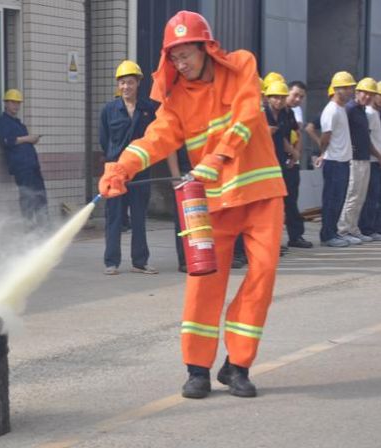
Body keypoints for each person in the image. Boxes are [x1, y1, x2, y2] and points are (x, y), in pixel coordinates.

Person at [99, 11, 286, 398]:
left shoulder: (242, 67)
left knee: (262, 275)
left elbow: (248, 115)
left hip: (260, 196)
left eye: (185, 54)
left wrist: (217, 158)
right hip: (213, 203)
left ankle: (237, 366)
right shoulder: (176, 100)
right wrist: (122, 167)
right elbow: (155, 139)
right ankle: (197, 369)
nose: (180, 63)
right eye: (174, 57)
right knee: (203, 283)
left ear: (205, 48)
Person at [99, 60, 158, 275]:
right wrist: (114, 164)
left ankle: (140, 261)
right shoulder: (109, 110)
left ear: (138, 83)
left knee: (139, 216)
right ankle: (111, 262)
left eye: (130, 83)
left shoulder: (148, 109)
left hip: (140, 171)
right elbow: (104, 141)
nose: (126, 87)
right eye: (122, 83)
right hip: (115, 170)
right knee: (114, 217)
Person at [264, 81, 312, 248]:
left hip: (284, 163)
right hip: (267, 164)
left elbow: (295, 132)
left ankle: (295, 237)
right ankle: (271, 242)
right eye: (294, 95)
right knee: (271, 205)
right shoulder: (263, 113)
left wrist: (294, 155)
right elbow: (279, 137)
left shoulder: (288, 113)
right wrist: (292, 151)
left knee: (290, 200)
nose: (279, 100)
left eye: (282, 98)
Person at [0, 89, 49, 228]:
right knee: (27, 196)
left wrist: (31, 140)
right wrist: (29, 139)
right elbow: (7, 141)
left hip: (32, 165)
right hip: (21, 167)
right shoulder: (4, 122)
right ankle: (29, 226)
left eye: (18, 103)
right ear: (6, 103)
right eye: (13, 103)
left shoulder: (18, 123)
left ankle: (42, 225)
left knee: (40, 195)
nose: (16, 106)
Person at [337, 77, 380, 243]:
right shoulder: (350, 109)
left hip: (364, 158)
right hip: (353, 159)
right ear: (357, 92)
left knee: (360, 196)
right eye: (365, 93)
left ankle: (353, 229)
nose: (367, 97)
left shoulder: (361, 110)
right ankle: (343, 230)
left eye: (371, 94)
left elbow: (365, 137)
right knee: (352, 195)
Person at [317, 72, 355, 247]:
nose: (351, 91)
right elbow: (326, 136)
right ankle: (327, 235)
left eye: (351, 88)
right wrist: (323, 153)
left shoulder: (341, 109)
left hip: (342, 160)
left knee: (339, 199)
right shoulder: (331, 110)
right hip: (334, 161)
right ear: (337, 89)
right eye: (347, 88)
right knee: (332, 199)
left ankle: (334, 232)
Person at [359, 81, 381, 240]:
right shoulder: (369, 113)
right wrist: (379, 156)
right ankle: (367, 228)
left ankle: (375, 227)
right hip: (373, 161)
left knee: (376, 196)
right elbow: (366, 139)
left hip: (377, 160)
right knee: (371, 196)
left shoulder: (376, 113)